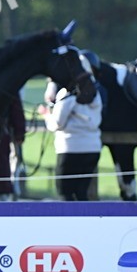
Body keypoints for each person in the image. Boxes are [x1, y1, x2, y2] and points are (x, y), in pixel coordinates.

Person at [38, 56, 103, 201]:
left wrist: (46, 114)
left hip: (70, 148)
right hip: (93, 147)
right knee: (82, 193)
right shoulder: (96, 94)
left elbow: (56, 123)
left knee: (64, 192)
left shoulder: (66, 94)